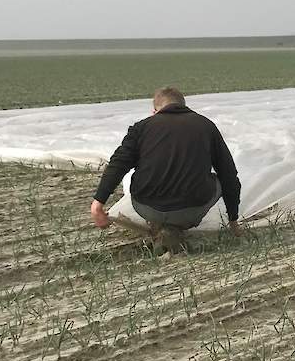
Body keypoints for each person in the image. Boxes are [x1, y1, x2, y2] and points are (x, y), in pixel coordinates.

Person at [90, 86, 242, 250]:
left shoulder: (141, 128)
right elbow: (229, 175)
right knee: (218, 180)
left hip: (147, 207)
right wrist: (233, 221)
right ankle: (176, 226)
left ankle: (160, 225)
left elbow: (118, 164)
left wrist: (98, 203)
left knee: (138, 179)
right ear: (184, 106)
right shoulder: (206, 126)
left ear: (154, 111)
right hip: (190, 211)